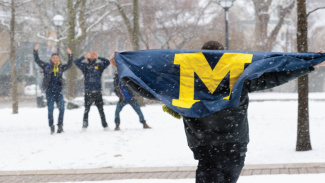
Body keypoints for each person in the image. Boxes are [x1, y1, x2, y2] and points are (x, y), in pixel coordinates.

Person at [108, 42, 325, 183]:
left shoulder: (186, 79)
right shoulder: (238, 73)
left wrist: (123, 68)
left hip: (205, 143)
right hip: (235, 141)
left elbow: (151, 89)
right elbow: (275, 74)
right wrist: (310, 64)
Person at [33, 43, 73, 134]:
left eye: (57, 58)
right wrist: (35, 51)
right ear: (51, 59)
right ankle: (51, 126)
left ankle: (60, 126)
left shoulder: (61, 67)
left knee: (62, 109)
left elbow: (70, 64)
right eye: (54, 58)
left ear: (58, 59)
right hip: (49, 92)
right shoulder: (46, 66)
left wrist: (70, 55)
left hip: (59, 92)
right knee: (50, 110)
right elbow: (37, 60)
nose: (55, 59)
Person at [74, 51, 110, 131]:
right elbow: (76, 62)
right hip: (88, 92)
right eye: (91, 54)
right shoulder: (85, 66)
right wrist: (84, 57)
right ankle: (84, 126)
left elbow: (107, 62)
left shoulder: (99, 65)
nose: (92, 56)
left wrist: (99, 57)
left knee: (101, 110)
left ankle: (105, 126)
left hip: (97, 92)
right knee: (86, 110)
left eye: (94, 54)